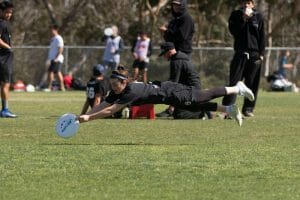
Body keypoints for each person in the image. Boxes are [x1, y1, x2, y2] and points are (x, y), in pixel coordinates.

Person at [78, 68, 256, 127]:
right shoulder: (117, 90)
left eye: (116, 85)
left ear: (124, 83)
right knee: (194, 107)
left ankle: (237, 88)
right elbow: (104, 104)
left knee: (201, 96)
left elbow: (110, 110)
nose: (113, 88)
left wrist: (89, 118)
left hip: (171, 91)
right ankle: (229, 110)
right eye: (112, 85)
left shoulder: (131, 91)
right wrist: (83, 117)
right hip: (166, 96)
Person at [222, 0, 265, 117]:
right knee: (234, 82)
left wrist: (261, 54)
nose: (246, 4)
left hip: (254, 55)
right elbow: (233, 31)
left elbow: (262, 36)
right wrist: (244, 19)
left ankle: (248, 109)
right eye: (244, 2)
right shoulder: (235, 15)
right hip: (240, 54)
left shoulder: (259, 17)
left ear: (253, 4)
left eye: (249, 2)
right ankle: (227, 109)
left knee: (252, 83)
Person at [156, 42, 211, 119]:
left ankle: (200, 112)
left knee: (179, 115)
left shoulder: (176, 61)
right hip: (191, 88)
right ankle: (201, 106)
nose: (164, 57)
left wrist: (160, 90)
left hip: (191, 90)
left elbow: (173, 83)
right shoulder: (181, 58)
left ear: (169, 51)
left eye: (164, 54)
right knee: (178, 112)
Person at [0, 1, 16, 118]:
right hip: (3, 58)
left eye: (10, 12)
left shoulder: (4, 23)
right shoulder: (1, 24)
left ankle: (4, 109)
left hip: (4, 57)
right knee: (5, 84)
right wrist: (9, 47)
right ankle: (5, 110)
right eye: (7, 12)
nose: (9, 14)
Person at [46, 24, 65, 91]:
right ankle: (62, 87)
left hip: (56, 59)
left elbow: (61, 48)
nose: (50, 31)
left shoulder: (58, 38)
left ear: (55, 30)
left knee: (51, 72)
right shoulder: (53, 39)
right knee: (57, 72)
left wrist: (57, 58)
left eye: (51, 30)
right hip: (52, 59)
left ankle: (50, 87)